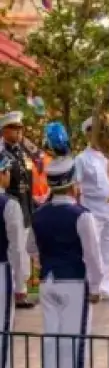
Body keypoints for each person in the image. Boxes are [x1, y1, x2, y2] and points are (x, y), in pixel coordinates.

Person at [28, 155, 103, 368]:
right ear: (73, 183)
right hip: (73, 281)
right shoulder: (81, 215)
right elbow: (92, 255)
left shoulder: (39, 214)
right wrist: (95, 287)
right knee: (73, 340)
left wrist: (47, 257)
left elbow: (31, 247)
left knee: (52, 339)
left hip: (48, 280)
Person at [76, 118, 109, 302]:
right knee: (92, 250)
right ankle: (92, 286)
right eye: (93, 131)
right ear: (87, 134)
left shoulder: (107, 157)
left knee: (107, 249)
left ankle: (106, 286)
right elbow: (77, 186)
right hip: (92, 208)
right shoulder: (81, 159)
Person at [2, 112, 34, 307]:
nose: (19, 132)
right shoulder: (2, 154)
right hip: (11, 207)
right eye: (14, 128)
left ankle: (21, 289)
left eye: (20, 128)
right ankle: (18, 292)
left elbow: (28, 183)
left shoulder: (22, 153)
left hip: (25, 207)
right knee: (16, 251)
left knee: (24, 252)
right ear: (4, 131)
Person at [0, 153, 24, 368]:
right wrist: (20, 284)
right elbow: (16, 247)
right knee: (2, 328)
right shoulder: (9, 204)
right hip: (1, 269)